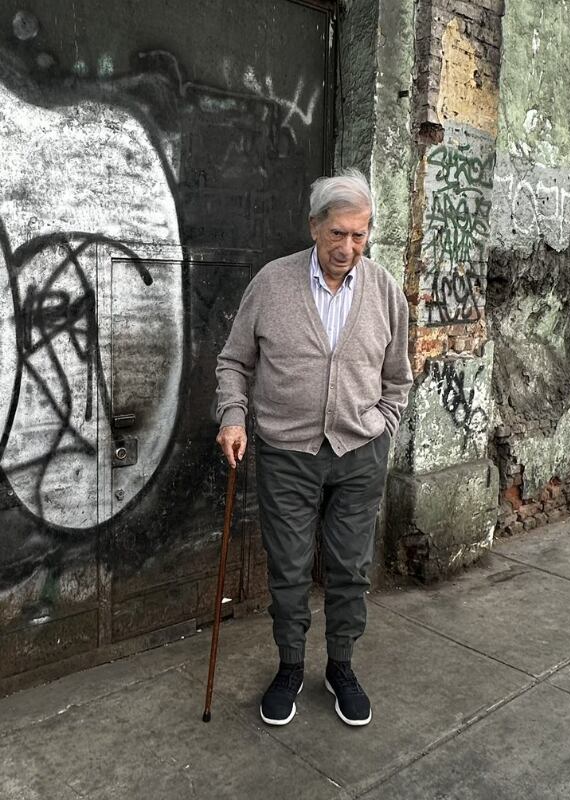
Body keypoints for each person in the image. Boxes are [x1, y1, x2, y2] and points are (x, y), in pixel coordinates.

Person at [215, 169, 412, 727]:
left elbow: (398, 375)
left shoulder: (385, 291)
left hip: (359, 451)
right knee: (290, 568)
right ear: (314, 228)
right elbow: (234, 361)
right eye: (338, 234)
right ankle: (290, 666)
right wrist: (233, 415)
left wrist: (383, 422)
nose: (348, 247)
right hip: (287, 452)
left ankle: (342, 666)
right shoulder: (272, 284)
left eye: (360, 234)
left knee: (351, 568)